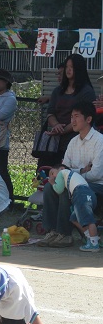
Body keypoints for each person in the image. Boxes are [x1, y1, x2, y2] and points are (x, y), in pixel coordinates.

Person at [38, 101, 103, 248]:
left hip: (97, 186)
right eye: (71, 116)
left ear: (88, 119)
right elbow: (64, 168)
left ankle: (65, 234)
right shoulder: (73, 141)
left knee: (67, 188)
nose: (72, 121)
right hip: (80, 182)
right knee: (50, 186)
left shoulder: (100, 141)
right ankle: (52, 231)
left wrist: (69, 176)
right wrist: (80, 171)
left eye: (76, 116)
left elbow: (97, 174)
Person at [41, 53, 96, 167]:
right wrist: (56, 125)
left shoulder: (86, 91)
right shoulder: (57, 91)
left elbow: (83, 116)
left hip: (75, 139)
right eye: (67, 67)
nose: (68, 70)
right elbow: (50, 112)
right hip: (53, 142)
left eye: (72, 67)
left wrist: (63, 130)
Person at [48, 164, 101, 252]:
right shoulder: (73, 175)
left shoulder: (62, 173)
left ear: (61, 168)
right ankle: (90, 237)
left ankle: (94, 244)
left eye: (52, 173)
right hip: (88, 194)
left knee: (89, 220)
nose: (52, 177)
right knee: (74, 218)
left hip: (81, 194)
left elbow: (59, 189)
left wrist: (53, 183)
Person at [0, 69, 17, 203]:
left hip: (1, 139)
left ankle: (10, 199)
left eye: (0, 80)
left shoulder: (10, 99)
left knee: (1, 170)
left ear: (6, 83)